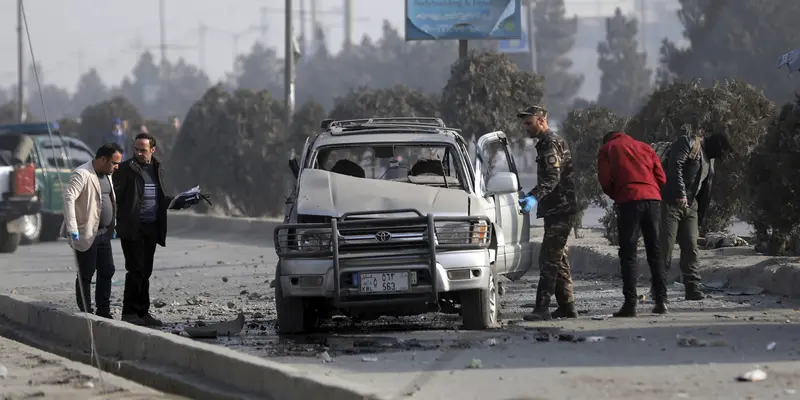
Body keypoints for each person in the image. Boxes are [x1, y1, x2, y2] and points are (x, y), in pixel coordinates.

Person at [113, 133, 195, 326]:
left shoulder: (157, 169)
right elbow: (116, 197)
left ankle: (143, 313)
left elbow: (160, 199)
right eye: (136, 149)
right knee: (136, 270)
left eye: (143, 149)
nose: (139, 153)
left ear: (152, 150)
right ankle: (129, 313)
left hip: (151, 228)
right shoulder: (125, 169)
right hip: (133, 228)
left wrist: (178, 201)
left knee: (146, 271)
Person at [516, 105, 579, 321]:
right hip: (556, 209)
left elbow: (552, 178)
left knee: (548, 259)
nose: (526, 127)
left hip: (561, 208)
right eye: (524, 123)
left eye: (529, 123)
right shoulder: (545, 143)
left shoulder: (550, 143)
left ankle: (542, 308)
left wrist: (534, 197)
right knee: (558, 258)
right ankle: (567, 306)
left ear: (542, 121)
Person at [597, 131, 668, 317]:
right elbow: (661, 177)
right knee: (655, 251)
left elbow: (604, 180)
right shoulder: (645, 146)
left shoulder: (607, 149)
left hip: (629, 201)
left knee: (628, 252)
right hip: (653, 200)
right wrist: (650, 190)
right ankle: (661, 301)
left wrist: (617, 193)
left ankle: (630, 304)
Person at [661, 132, 732, 300]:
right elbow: (675, 166)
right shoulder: (687, 142)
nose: (721, 156)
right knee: (666, 247)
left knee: (691, 247)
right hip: (671, 202)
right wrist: (680, 193)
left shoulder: (710, 159)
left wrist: (700, 215)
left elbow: (704, 188)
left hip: (691, 206)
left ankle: (692, 288)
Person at [61, 143, 124, 319]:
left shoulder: (108, 174)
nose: (116, 167)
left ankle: (103, 310)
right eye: (114, 163)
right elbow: (68, 198)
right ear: (103, 159)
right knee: (86, 272)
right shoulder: (82, 174)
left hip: (104, 232)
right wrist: (72, 227)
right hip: (86, 231)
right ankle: (86, 311)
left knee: (107, 270)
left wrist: (113, 220)